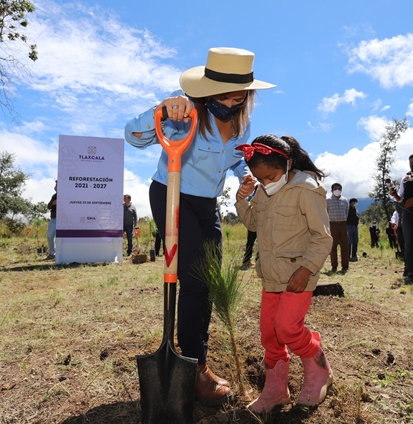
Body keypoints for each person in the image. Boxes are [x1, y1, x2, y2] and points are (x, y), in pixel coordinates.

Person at [125, 47, 274, 405]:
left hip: (207, 205)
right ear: (208, 90)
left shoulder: (241, 122)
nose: (232, 104)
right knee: (194, 279)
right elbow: (134, 137)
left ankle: (194, 358)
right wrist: (162, 110)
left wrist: (246, 176)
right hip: (172, 193)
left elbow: (236, 159)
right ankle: (196, 368)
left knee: (208, 280)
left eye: (239, 97)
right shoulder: (185, 112)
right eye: (224, 96)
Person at [234, 134, 332, 412]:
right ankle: (276, 390)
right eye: (260, 178)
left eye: (271, 176)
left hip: (298, 276)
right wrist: (242, 199)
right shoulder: (263, 191)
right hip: (271, 276)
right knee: (269, 333)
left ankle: (319, 367)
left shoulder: (307, 189)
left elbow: (322, 237)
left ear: (287, 164)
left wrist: (306, 268)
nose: (266, 183)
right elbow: (253, 224)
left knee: (287, 329)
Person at [326, 183, 349, 273]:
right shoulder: (328, 201)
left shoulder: (345, 200)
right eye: (335, 189)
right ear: (331, 190)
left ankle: (345, 266)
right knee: (333, 246)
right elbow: (325, 212)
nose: (337, 190)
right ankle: (334, 266)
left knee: (345, 246)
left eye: (339, 189)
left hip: (343, 225)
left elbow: (346, 212)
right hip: (333, 225)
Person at [46, 181, 57, 260]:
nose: (56, 186)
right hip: (53, 218)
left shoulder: (67, 195)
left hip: (63, 220)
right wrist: (53, 203)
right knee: (50, 236)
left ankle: (58, 254)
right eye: (56, 185)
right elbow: (48, 206)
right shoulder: (54, 196)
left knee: (59, 238)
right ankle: (52, 254)